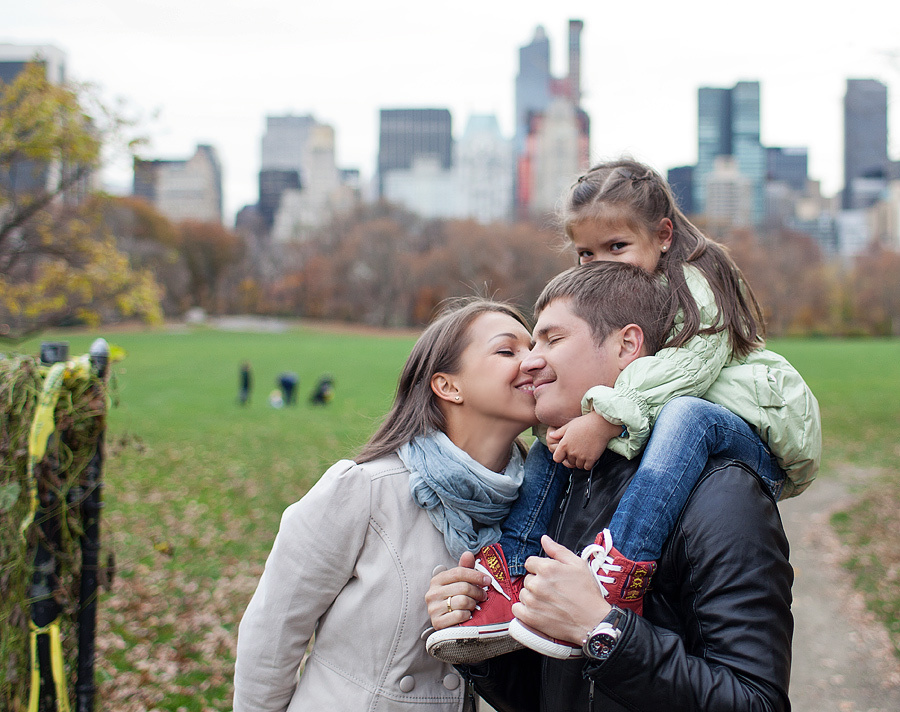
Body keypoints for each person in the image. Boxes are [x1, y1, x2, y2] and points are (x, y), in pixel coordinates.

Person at [428, 158, 819, 661]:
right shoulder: (631, 287)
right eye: (587, 253)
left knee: (684, 415)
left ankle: (619, 573)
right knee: (558, 433)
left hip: (753, 430)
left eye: (617, 246)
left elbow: (690, 369)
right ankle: (512, 574)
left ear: (662, 235)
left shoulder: (697, 281)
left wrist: (606, 416)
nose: (604, 262)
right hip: (681, 415)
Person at [427, 262, 793, 711]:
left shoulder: (720, 494)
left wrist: (604, 631)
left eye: (553, 339)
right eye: (530, 341)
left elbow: (757, 702)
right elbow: (541, 697)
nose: (530, 360)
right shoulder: (561, 482)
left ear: (627, 345)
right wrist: (479, 639)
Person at [233, 299, 539, 712]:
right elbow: (272, 636)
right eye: (508, 350)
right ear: (448, 385)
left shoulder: (542, 506)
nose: (535, 361)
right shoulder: (363, 490)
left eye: (536, 346)